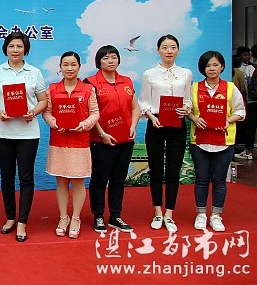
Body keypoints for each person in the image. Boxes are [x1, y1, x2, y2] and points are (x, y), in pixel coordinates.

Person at [0, 31, 47, 242]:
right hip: (3, 132)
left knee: (26, 178)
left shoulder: (35, 72)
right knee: (7, 177)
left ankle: (22, 222)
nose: (15, 50)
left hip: (28, 133)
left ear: (25, 49)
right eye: (11, 46)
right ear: (5, 49)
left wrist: (33, 112)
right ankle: (10, 217)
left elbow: (43, 101)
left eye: (19, 46)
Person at [138, 34, 193, 233]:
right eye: (165, 47)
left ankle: (169, 213)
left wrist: (185, 109)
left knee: (173, 170)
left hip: (177, 123)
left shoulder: (186, 73)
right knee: (155, 169)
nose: (169, 51)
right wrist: (151, 117)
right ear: (158, 50)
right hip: (156, 123)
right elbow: (144, 101)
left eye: (173, 47)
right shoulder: (149, 74)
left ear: (178, 50)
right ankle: (157, 212)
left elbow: (188, 99)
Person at [42, 52, 99, 239]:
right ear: (60, 67)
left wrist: (84, 124)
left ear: (79, 67)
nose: (69, 68)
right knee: (61, 181)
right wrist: (54, 123)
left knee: (78, 181)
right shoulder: (52, 89)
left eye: (73, 64)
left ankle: (76, 218)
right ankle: (63, 217)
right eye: (65, 64)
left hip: (79, 142)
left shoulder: (88, 89)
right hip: (59, 142)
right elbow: (47, 112)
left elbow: (95, 113)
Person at [187, 51, 245, 232]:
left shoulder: (230, 88)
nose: (211, 68)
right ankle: (201, 214)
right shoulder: (194, 88)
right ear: (202, 68)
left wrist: (228, 120)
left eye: (215, 65)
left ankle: (216, 215)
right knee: (201, 179)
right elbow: (187, 109)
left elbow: (240, 111)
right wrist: (195, 119)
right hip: (200, 141)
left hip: (224, 141)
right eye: (208, 65)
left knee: (219, 181)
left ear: (222, 67)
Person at [85, 45, 140, 234]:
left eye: (114, 57)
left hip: (125, 140)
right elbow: (91, 113)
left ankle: (116, 216)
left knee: (118, 180)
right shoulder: (91, 83)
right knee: (99, 180)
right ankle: (98, 215)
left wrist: (133, 127)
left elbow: (135, 108)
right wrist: (102, 134)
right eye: (106, 58)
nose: (111, 61)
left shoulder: (127, 81)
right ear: (98, 61)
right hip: (101, 141)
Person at [234, 46, 256, 160]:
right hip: (246, 100)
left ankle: (247, 148)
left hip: (250, 100)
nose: (247, 57)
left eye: (248, 54)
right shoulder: (240, 70)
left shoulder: (253, 68)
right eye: (244, 55)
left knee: (250, 125)